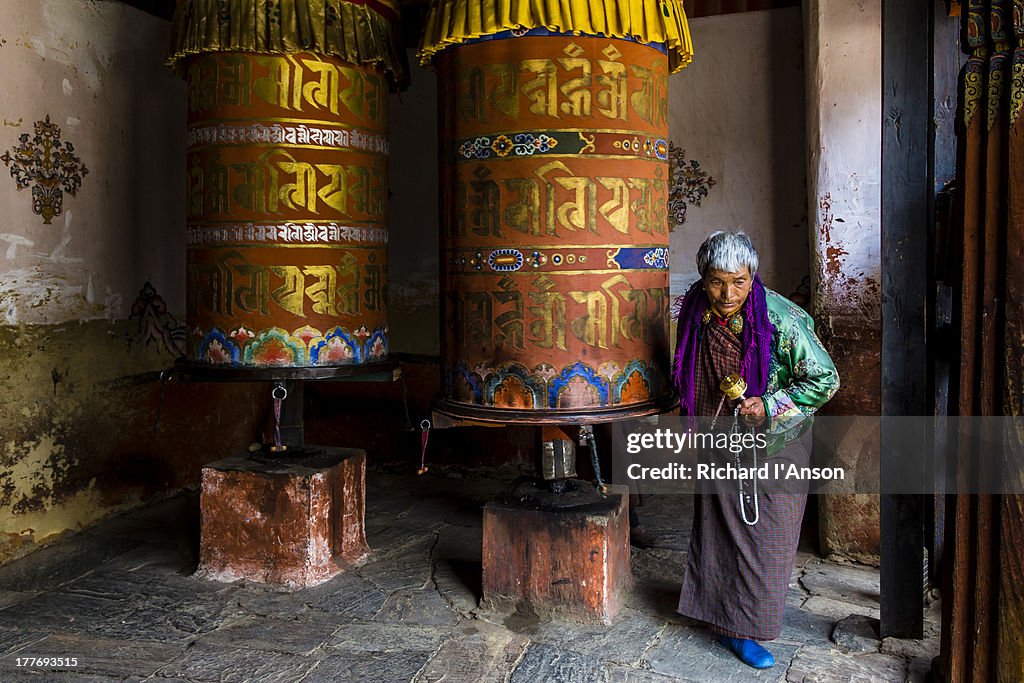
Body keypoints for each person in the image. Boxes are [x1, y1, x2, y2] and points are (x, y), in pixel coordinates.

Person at [672, 231, 839, 669]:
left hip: (774, 443)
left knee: (767, 537)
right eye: (716, 281)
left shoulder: (781, 320)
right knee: (718, 532)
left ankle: (749, 627)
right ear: (703, 277)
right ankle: (722, 620)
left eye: (739, 282)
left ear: (753, 277)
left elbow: (825, 380)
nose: (728, 294)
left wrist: (766, 405)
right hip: (720, 437)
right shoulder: (694, 309)